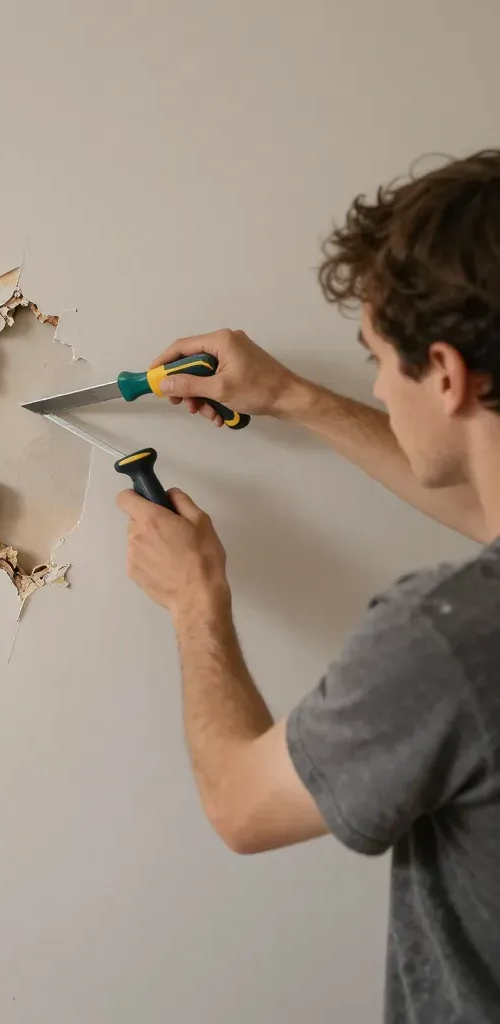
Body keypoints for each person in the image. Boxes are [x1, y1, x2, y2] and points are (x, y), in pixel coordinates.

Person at [116, 149, 500, 1024]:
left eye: (374, 359)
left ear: (445, 373)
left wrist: (194, 602)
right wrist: (292, 396)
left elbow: (242, 806)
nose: (372, 383)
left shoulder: (448, 637)